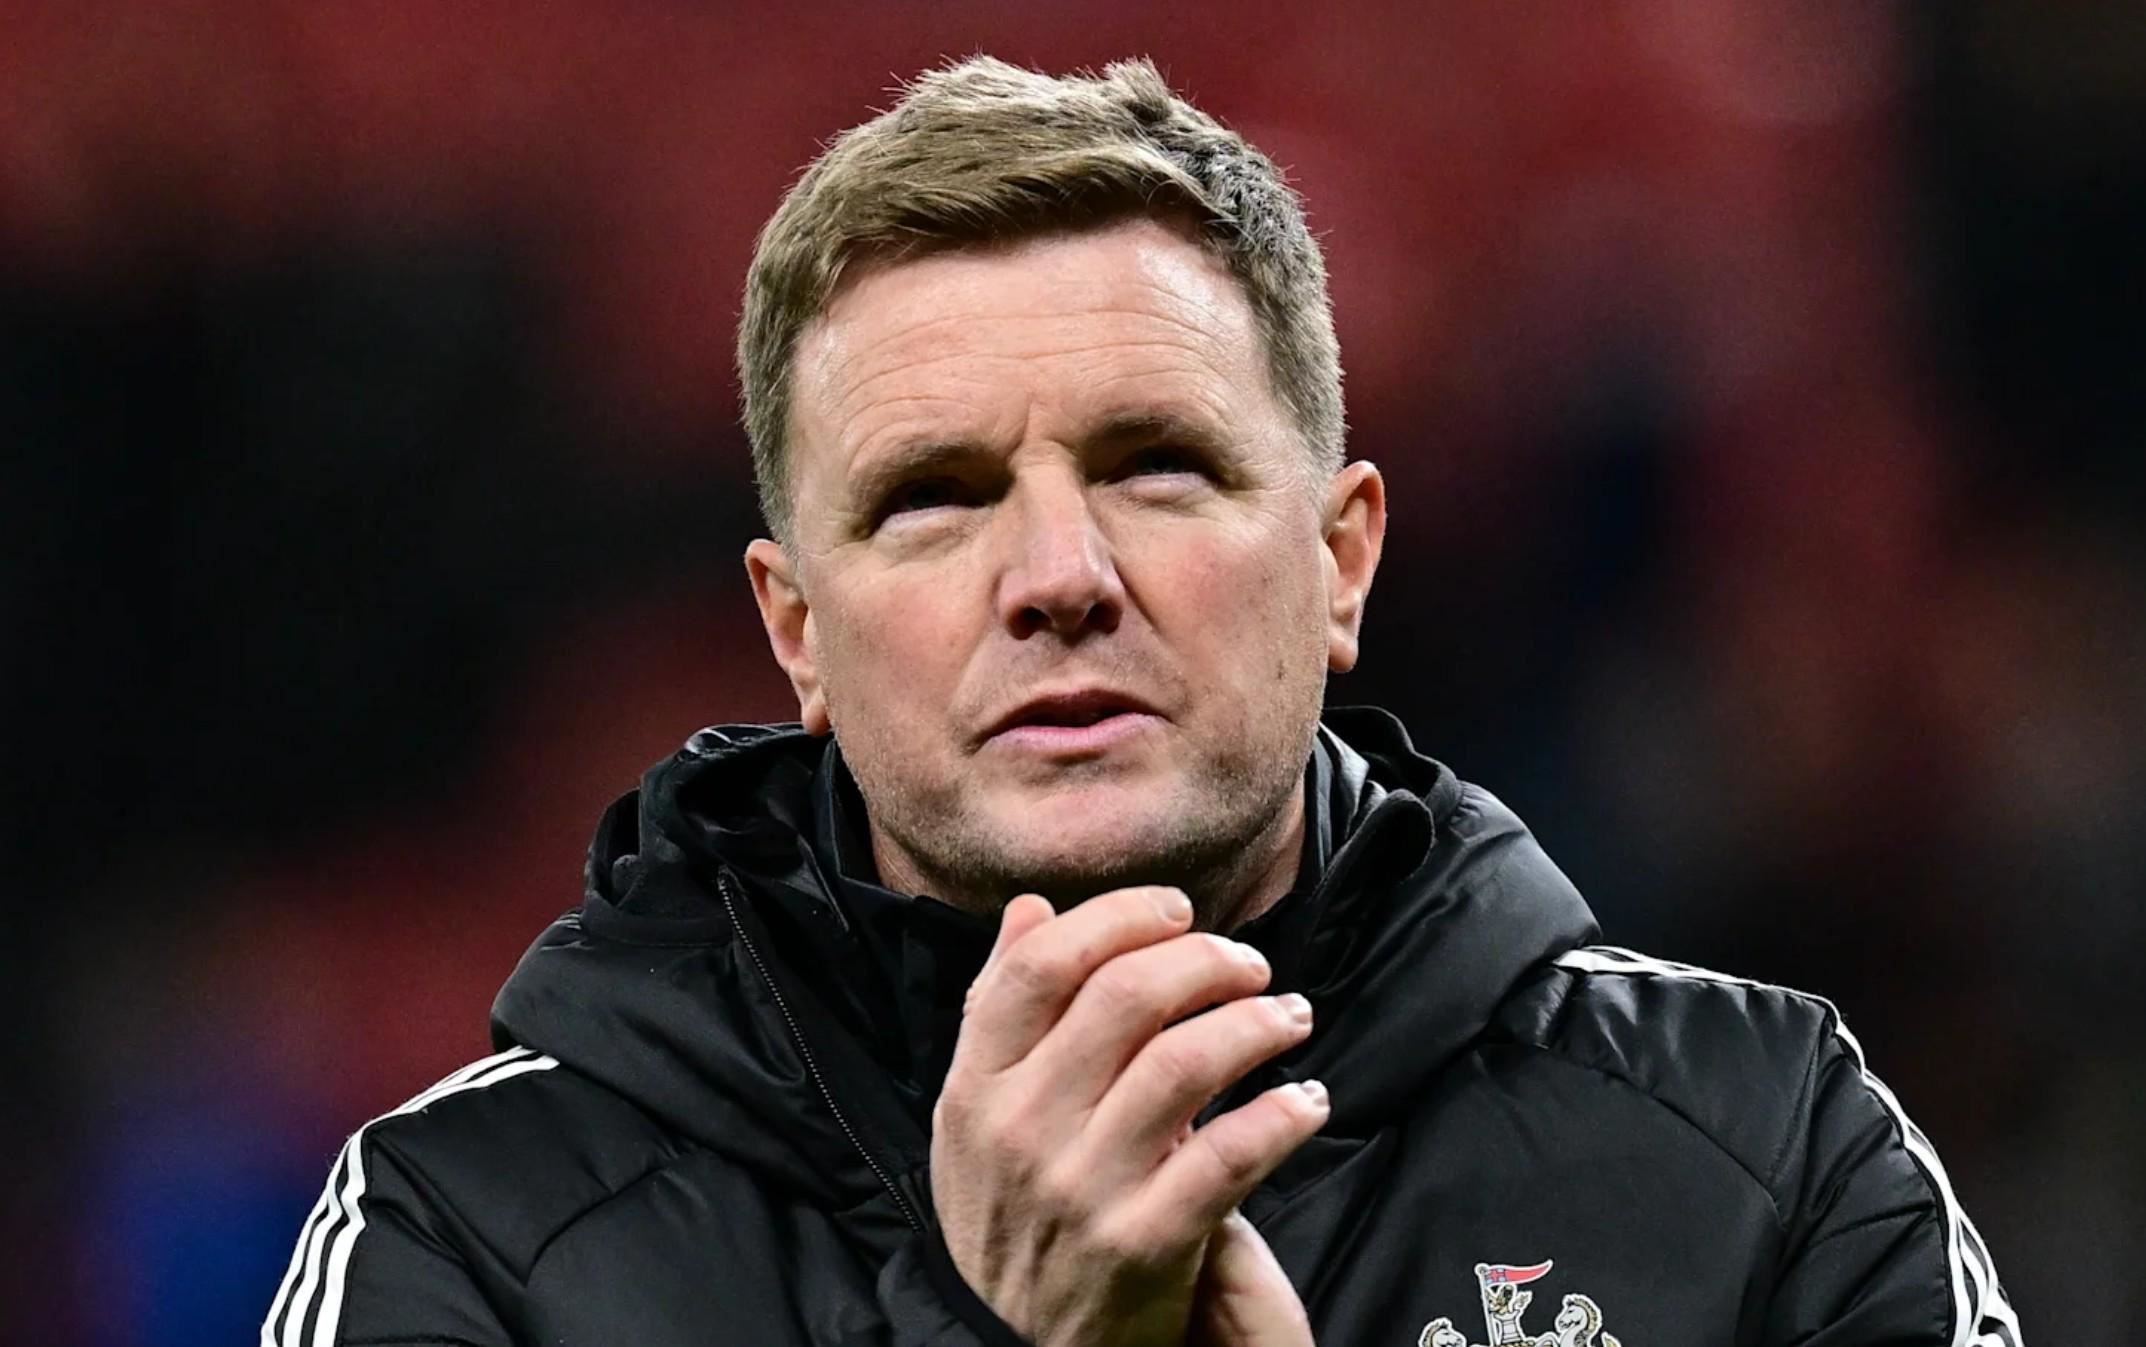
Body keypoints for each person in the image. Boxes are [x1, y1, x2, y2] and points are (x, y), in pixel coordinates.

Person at [262, 56, 2020, 1347]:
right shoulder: (475, 1230)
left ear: (1339, 560)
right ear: (795, 634)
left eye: (1155, 466)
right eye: (933, 498)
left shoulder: (1757, 1146)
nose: (1058, 574)